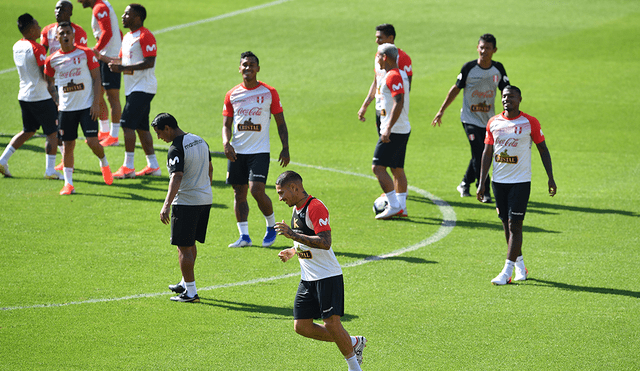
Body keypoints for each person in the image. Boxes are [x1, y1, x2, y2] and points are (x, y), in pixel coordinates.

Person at [274, 170, 367, 370]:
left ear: (294, 188)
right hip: (308, 279)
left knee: (332, 324)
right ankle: (352, 342)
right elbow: (305, 237)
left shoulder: (315, 207)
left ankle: (354, 367)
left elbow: (325, 242)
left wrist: (292, 236)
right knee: (302, 326)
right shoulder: (296, 208)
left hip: (327, 276)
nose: (280, 198)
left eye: (282, 193)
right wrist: (293, 250)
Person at [476, 85, 557, 285]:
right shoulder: (493, 122)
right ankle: (520, 265)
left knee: (515, 225)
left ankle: (506, 272)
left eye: (511, 97)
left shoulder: (530, 122)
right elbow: (487, 153)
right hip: (498, 182)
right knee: (506, 224)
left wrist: (550, 177)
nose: (506, 100)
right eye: (504, 96)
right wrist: (481, 182)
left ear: (520, 99)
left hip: (520, 182)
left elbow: (543, 149)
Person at [222, 51, 290, 248]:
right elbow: (226, 124)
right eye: (245, 65)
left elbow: (280, 122)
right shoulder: (232, 94)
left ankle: (271, 226)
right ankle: (244, 236)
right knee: (238, 193)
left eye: (252, 65)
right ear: (239, 68)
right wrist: (226, 143)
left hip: (259, 151)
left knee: (256, 190)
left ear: (258, 68)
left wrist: (285, 148)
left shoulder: (269, 92)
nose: (248, 68)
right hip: (237, 151)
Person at [432, 33, 509, 203]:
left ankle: (465, 183)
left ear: (494, 50)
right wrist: (441, 110)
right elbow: (456, 88)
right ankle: (485, 191)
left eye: (488, 48)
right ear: (477, 48)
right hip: (469, 119)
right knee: (481, 152)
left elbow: (506, 91)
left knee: (481, 153)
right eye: (481, 47)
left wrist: (508, 114)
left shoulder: (498, 69)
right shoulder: (469, 68)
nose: (484, 51)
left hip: (488, 120)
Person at [44, 21, 113, 195]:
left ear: (73, 35)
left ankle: (104, 162)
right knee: (68, 146)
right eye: (62, 33)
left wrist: (96, 103)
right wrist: (58, 101)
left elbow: (97, 79)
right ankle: (68, 184)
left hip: (87, 107)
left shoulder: (86, 53)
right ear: (57, 37)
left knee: (92, 142)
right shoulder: (52, 60)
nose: (65, 36)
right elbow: (49, 83)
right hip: (67, 109)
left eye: (68, 32)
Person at [154, 113, 213, 303]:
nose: (159, 137)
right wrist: (204, 189)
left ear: (168, 128)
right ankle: (185, 283)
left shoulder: (176, 148)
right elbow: (210, 168)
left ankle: (191, 293)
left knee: (184, 247)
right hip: (205, 199)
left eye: (159, 133)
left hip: (186, 202)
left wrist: (166, 205)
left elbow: (176, 177)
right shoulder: (200, 140)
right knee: (190, 243)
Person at [1, 14, 61, 180]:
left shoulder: (16, 46)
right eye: (37, 25)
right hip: (40, 96)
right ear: (30, 29)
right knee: (52, 133)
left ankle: (2, 159)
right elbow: (45, 76)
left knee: (28, 131)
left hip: (24, 95)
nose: (40, 27)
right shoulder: (37, 48)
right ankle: (50, 170)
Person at [105, 3, 160, 179]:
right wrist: (100, 57)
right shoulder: (127, 37)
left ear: (137, 17)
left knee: (127, 124)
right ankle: (153, 166)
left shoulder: (145, 36)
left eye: (127, 14)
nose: (123, 16)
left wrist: (120, 69)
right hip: (133, 88)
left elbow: (149, 62)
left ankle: (128, 167)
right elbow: (122, 61)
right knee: (142, 127)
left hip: (143, 88)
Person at [370, 43, 411, 220]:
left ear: (385, 57)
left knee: (378, 168)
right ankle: (402, 206)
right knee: (397, 168)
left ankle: (394, 205)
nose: (376, 59)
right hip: (401, 129)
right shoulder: (397, 74)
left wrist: (387, 128)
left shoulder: (393, 76)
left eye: (378, 56)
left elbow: (398, 102)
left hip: (394, 131)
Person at [78, 0, 123, 145]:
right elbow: (117, 31)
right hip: (106, 55)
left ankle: (114, 136)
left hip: (109, 57)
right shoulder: (101, 6)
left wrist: (96, 50)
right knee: (98, 91)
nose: (78, 1)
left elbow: (108, 32)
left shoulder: (100, 7)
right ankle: (104, 130)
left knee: (112, 97)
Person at [358, 23, 412, 135]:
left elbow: (407, 87)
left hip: (392, 112)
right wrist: (365, 106)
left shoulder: (402, 58)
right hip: (379, 109)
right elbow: (376, 81)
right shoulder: (379, 56)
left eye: (380, 38)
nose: (377, 41)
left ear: (391, 38)